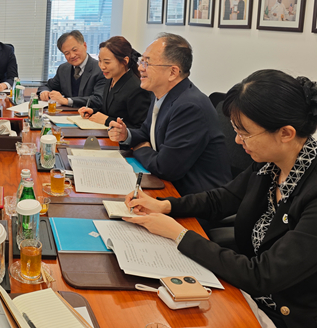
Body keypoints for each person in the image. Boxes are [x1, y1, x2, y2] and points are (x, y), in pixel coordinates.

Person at [124, 69, 317, 328]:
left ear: (286, 133)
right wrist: (165, 205)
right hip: (245, 292)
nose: (237, 140)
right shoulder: (270, 164)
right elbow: (224, 198)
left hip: (283, 315)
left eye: (245, 133)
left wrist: (179, 234)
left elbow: (263, 275)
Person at [108, 33, 231, 196]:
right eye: (141, 61)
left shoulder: (190, 107)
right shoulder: (161, 93)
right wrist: (127, 135)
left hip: (194, 197)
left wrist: (139, 148)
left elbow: (165, 168)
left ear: (173, 72)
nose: (140, 68)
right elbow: (146, 132)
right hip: (167, 186)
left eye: (147, 62)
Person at [77, 36, 150, 128]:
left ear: (125, 61)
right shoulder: (111, 78)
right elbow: (110, 111)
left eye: (107, 62)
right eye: (100, 61)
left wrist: (107, 121)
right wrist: (93, 112)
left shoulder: (136, 88)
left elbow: (140, 128)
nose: (102, 66)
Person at [37, 30, 106, 108]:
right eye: (67, 53)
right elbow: (47, 86)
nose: (72, 55)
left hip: (90, 114)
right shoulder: (63, 69)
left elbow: (99, 99)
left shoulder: (100, 69)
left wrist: (67, 101)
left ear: (85, 46)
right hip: (66, 113)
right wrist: (44, 92)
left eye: (75, 50)